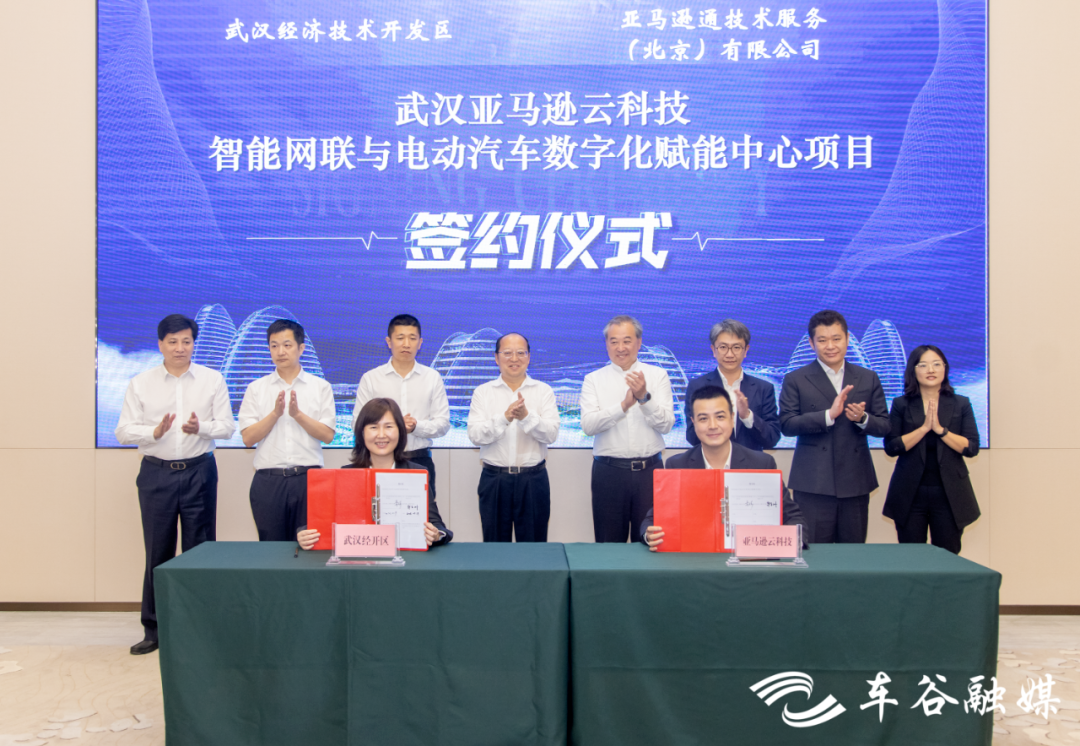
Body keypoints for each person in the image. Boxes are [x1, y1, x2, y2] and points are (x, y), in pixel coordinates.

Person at [115, 314, 236, 655]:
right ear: (160, 345)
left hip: (199, 471)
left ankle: (203, 628)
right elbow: (123, 431)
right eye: (173, 342)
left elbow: (227, 427)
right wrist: (152, 432)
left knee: (201, 551)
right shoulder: (141, 383)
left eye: (186, 341)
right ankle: (154, 629)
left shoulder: (212, 380)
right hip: (156, 474)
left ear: (194, 344)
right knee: (158, 551)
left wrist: (202, 428)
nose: (180, 348)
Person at [642, 385, 806, 549]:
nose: (713, 425)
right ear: (693, 422)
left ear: (732, 418)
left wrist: (794, 540)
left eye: (720, 417)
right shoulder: (677, 466)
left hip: (747, 557)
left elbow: (792, 517)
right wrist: (648, 535)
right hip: (695, 556)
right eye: (703, 419)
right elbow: (652, 519)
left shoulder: (761, 464)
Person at [779, 310, 890, 544]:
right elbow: (787, 424)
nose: (830, 346)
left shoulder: (868, 377)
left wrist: (862, 418)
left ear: (847, 339)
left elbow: (884, 426)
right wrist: (828, 416)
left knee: (852, 555)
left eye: (836, 339)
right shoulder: (796, 379)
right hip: (813, 484)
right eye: (822, 340)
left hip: (855, 482)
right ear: (811, 343)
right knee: (813, 554)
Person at [298, 398, 452, 550]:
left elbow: (439, 527)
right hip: (359, 557)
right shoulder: (347, 474)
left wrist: (436, 534)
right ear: (362, 433)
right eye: (373, 427)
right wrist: (304, 534)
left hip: (406, 558)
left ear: (400, 431)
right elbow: (320, 522)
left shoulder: (416, 475)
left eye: (388, 426)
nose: (381, 435)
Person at [580, 315, 675, 543]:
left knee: (649, 543)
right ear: (606, 344)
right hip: (609, 474)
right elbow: (588, 426)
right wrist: (622, 407)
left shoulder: (657, 375)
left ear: (639, 342)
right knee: (608, 546)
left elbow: (666, 425)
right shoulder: (593, 379)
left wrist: (644, 398)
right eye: (614, 341)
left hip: (650, 472)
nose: (620, 348)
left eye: (626, 341)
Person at [239, 319, 336, 542]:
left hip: (308, 480)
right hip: (268, 481)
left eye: (287, 345)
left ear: (301, 348)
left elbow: (328, 435)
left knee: (309, 547)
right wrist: (275, 414)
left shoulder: (320, 387)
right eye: (274, 346)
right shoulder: (256, 388)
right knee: (271, 549)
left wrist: (297, 415)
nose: (280, 351)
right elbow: (247, 439)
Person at [882, 345, 980, 554]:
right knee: (912, 557)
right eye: (923, 365)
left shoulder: (960, 403)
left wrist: (940, 431)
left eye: (937, 364)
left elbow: (971, 447)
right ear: (913, 370)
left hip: (949, 493)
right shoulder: (901, 404)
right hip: (910, 492)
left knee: (947, 557)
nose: (931, 370)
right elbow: (891, 447)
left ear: (945, 368)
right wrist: (924, 428)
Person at [467, 333, 560, 542]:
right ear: (496, 357)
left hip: (533, 480)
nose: (514, 358)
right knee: (495, 548)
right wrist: (504, 418)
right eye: (507, 353)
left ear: (529, 357)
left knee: (533, 547)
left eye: (520, 353)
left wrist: (526, 417)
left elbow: (551, 434)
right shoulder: (483, 392)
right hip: (494, 480)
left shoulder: (543, 391)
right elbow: (475, 436)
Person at [352, 314, 450, 492]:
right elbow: (357, 424)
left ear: (420, 343)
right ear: (389, 342)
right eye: (400, 338)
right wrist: (390, 428)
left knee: (423, 510)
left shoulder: (432, 378)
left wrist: (416, 427)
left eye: (412, 338)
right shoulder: (371, 378)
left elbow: (443, 425)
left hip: (419, 460)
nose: (406, 344)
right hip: (379, 461)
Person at [684, 319, 781, 451]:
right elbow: (692, 437)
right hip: (712, 461)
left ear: (746, 350)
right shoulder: (697, 386)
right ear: (713, 350)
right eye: (723, 347)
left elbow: (772, 438)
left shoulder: (763, 388)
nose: (730, 354)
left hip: (750, 462)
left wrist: (747, 416)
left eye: (736, 347)